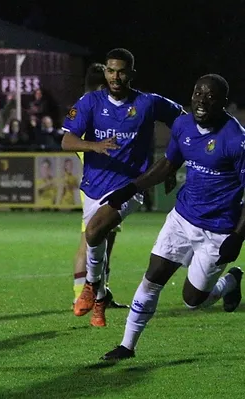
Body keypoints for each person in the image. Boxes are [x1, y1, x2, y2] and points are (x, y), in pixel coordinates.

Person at [101, 74, 244, 361]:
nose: (202, 101)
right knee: (153, 276)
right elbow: (168, 164)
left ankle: (229, 282)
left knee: (193, 301)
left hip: (218, 230)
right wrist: (130, 188)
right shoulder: (182, 124)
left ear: (223, 104)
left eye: (210, 96)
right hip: (182, 217)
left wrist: (237, 237)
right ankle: (127, 346)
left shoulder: (236, 140)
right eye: (197, 93)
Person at [61, 48, 185, 327]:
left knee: (94, 231)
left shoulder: (149, 103)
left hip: (131, 186)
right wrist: (94, 145)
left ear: (131, 73)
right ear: (105, 71)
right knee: (98, 238)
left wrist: (173, 162)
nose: (116, 77)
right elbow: (67, 141)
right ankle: (100, 296)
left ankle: (91, 288)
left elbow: (183, 123)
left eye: (121, 71)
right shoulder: (90, 102)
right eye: (111, 70)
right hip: (94, 185)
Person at [71, 63, 127, 309]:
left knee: (103, 242)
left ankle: (101, 293)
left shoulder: (86, 106)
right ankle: (81, 296)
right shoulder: (92, 108)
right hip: (99, 184)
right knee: (89, 240)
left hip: (107, 181)